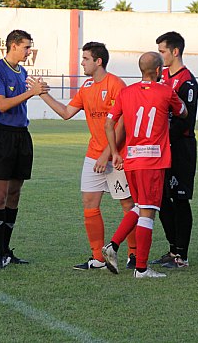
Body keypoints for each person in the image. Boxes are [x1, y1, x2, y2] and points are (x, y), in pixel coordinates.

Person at [36, 42, 137, 270]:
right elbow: (66, 113)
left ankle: (134, 255)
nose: (82, 62)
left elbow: (122, 124)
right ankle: (98, 259)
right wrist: (43, 94)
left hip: (116, 156)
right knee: (89, 203)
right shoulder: (87, 86)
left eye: (85, 59)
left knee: (127, 204)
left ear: (98, 61)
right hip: (94, 155)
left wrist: (108, 153)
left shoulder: (116, 84)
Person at [102, 52, 187, 278]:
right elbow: (183, 112)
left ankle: (113, 245)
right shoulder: (166, 91)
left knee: (140, 207)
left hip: (132, 159)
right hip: (153, 160)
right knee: (148, 213)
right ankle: (141, 268)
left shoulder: (125, 92)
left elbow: (109, 123)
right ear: (159, 71)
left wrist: (114, 152)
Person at [0, 29, 49, 269]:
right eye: (26, 47)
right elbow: (1, 105)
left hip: (21, 136)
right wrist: (30, 93)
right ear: (13, 46)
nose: (29, 52)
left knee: (14, 193)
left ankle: (6, 251)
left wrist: (38, 91)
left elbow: (21, 99)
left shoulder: (22, 71)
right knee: (0, 195)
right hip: (1, 136)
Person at [149, 31, 198, 269]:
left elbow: (185, 121)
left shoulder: (187, 81)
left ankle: (182, 255)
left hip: (180, 147)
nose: (160, 57)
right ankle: (172, 249)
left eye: (162, 51)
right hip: (162, 146)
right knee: (162, 199)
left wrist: (161, 136)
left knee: (180, 199)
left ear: (175, 51)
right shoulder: (163, 78)